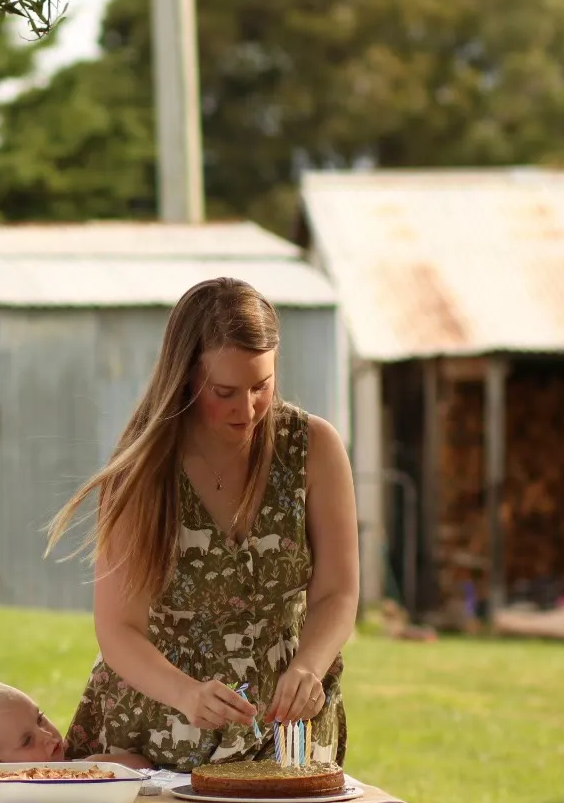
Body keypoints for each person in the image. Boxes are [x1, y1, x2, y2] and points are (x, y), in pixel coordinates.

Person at [49, 277, 359, 771]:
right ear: (186, 376)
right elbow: (119, 630)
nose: (247, 408)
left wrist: (308, 666)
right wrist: (188, 695)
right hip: (156, 736)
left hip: (285, 734)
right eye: (225, 391)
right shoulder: (144, 468)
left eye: (261, 386)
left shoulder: (314, 448)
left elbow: (338, 593)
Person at [0, 679, 151, 767]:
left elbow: (144, 764)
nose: (47, 736)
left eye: (40, 718)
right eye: (27, 741)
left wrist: (95, 763)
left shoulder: (79, 770)